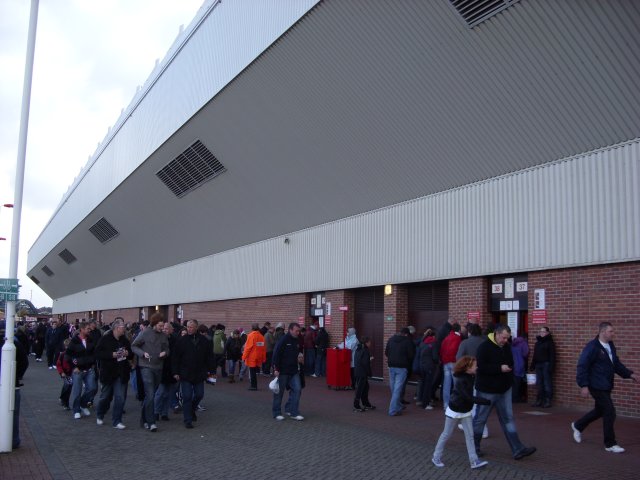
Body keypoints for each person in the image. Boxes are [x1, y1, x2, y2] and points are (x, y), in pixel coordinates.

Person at [571, 322, 637, 453]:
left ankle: (578, 425)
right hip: (596, 384)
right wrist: (583, 385)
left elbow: (616, 364)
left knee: (600, 410)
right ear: (602, 332)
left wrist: (630, 374)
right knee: (610, 411)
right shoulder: (592, 347)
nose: (613, 333)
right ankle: (610, 444)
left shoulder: (610, 345)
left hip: (606, 384)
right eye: (611, 331)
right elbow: (582, 366)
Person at [472, 324, 536, 460]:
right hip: (487, 389)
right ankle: (474, 448)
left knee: (508, 418)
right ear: (497, 333)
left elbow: (511, 362)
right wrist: (499, 368)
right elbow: (481, 367)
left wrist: (509, 374)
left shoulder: (507, 347)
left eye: (507, 338)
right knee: (481, 419)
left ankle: (517, 449)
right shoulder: (484, 347)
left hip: (504, 388)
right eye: (503, 337)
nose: (505, 340)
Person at [432, 356, 490, 470]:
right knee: (446, 434)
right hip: (455, 410)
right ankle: (436, 457)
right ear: (467, 368)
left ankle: (474, 461)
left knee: (470, 436)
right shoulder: (461, 380)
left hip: (465, 410)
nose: (477, 367)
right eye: (474, 366)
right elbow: (467, 397)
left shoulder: (471, 375)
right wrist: (486, 401)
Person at [172, 319, 214, 429]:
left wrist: (211, 371)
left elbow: (209, 357)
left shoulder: (204, 341)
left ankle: (191, 409)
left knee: (199, 394)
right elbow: (176, 357)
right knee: (187, 396)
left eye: (191, 327)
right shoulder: (181, 341)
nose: (189, 329)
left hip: (199, 373)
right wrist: (175, 372)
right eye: (188, 327)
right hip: (185, 373)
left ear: (196, 327)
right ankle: (188, 420)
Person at [131, 312, 169, 432]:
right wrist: (142, 354)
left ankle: (144, 419)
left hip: (158, 367)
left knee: (149, 396)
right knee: (151, 394)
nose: (162, 328)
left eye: (163, 326)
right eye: (160, 326)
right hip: (146, 366)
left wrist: (165, 353)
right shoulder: (145, 333)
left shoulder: (163, 336)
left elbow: (167, 348)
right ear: (154, 324)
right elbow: (134, 346)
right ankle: (151, 422)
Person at [95, 319, 133, 429]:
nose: (124, 329)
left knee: (120, 397)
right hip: (108, 372)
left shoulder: (124, 340)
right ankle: (100, 413)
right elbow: (97, 353)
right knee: (105, 397)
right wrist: (111, 354)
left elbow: (130, 354)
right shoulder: (105, 339)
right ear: (117, 328)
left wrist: (127, 353)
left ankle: (117, 420)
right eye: (122, 327)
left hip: (121, 373)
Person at [0, 320, 29, 449]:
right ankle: (13, 439)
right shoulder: (14, 343)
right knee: (13, 413)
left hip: (11, 383)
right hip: (14, 384)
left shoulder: (13, 344)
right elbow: (24, 362)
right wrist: (17, 376)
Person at [272, 322, 304, 421]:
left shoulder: (298, 340)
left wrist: (300, 356)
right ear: (290, 330)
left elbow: (300, 351)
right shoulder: (284, 340)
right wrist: (276, 369)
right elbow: (276, 354)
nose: (298, 332)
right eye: (296, 331)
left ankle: (293, 411)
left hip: (294, 370)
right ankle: (277, 412)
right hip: (283, 371)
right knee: (279, 392)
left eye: (299, 331)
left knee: (297, 389)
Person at [66, 321, 98, 420]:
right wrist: (73, 367)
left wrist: (93, 363)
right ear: (82, 329)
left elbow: (94, 352)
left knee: (92, 388)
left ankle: (83, 404)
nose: (90, 330)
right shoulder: (74, 341)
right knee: (77, 390)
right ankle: (76, 410)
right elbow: (68, 355)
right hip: (78, 370)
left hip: (89, 368)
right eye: (88, 329)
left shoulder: (91, 340)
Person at [384, 327, 415, 416]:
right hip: (402, 367)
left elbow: (386, 352)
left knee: (394, 388)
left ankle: (398, 405)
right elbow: (411, 355)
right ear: (406, 334)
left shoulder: (391, 339)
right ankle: (393, 410)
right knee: (397, 389)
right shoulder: (407, 341)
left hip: (391, 366)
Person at [530, 326, 556, 408]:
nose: (542, 333)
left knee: (547, 383)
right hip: (538, 364)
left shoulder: (550, 343)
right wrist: (532, 364)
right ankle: (539, 400)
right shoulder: (537, 343)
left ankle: (547, 401)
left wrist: (551, 366)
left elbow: (552, 356)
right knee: (539, 383)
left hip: (546, 364)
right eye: (541, 331)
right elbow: (535, 355)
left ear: (547, 333)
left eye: (543, 331)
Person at [440, 323, 462, 409]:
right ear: (459, 330)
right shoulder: (458, 338)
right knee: (456, 384)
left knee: (446, 384)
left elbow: (442, 349)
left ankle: (446, 404)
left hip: (446, 362)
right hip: (454, 362)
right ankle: (456, 403)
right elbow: (458, 350)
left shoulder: (447, 337)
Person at [416, 328, 438, 410]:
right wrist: (437, 361)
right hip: (429, 366)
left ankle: (421, 400)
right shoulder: (433, 343)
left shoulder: (422, 342)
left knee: (423, 384)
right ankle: (426, 404)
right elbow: (435, 357)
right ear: (433, 336)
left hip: (422, 365)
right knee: (428, 386)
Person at [353, 337, 375, 412]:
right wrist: (369, 372)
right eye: (369, 342)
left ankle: (366, 403)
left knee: (365, 388)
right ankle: (356, 405)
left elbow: (359, 360)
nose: (370, 343)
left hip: (358, 371)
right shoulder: (365, 350)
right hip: (362, 372)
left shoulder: (358, 349)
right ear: (366, 342)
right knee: (360, 389)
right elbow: (365, 363)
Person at [242, 323, 266, 391]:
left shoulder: (250, 336)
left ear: (252, 328)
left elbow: (248, 348)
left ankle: (253, 386)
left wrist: (243, 357)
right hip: (259, 357)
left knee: (252, 372)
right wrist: (263, 358)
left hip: (252, 357)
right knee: (254, 372)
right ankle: (254, 385)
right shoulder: (261, 336)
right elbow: (263, 348)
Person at [511, 334, 529, 403]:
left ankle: (513, 398)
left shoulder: (513, 343)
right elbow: (525, 353)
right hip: (520, 365)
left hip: (513, 365)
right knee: (518, 384)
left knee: (513, 384)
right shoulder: (524, 343)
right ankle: (516, 398)